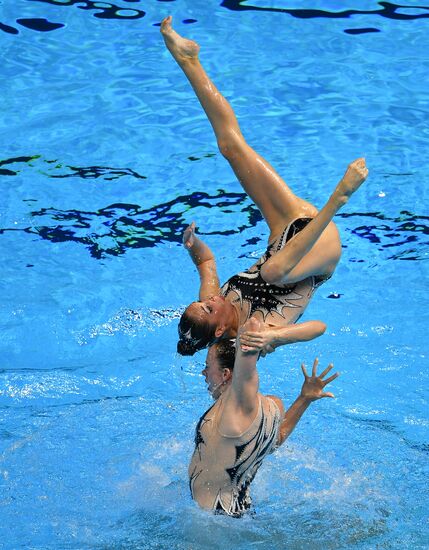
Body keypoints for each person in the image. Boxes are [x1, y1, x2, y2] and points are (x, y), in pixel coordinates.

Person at [160, 16, 368, 357]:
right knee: (272, 270)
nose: (209, 299)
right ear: (223, 329)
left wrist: (192, 243)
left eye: (202, 302)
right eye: (208, 308)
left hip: (288, 232)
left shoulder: (212, 300)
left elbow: (206, 262)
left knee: (231, 148)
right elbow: (319, 328)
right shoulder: (256, 332)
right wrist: (275, 339)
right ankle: (340, 196)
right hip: (321, 250)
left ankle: (188, 59)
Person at [189, 317, 339, 517]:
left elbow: (253, 326)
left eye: (208, 366)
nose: (203, 372)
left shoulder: (235, 406)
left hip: (210, 525)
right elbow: (276, 440)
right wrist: (304, 399)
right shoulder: (271, 406)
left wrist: (269, 335)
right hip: (242, 516)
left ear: (226, 374)